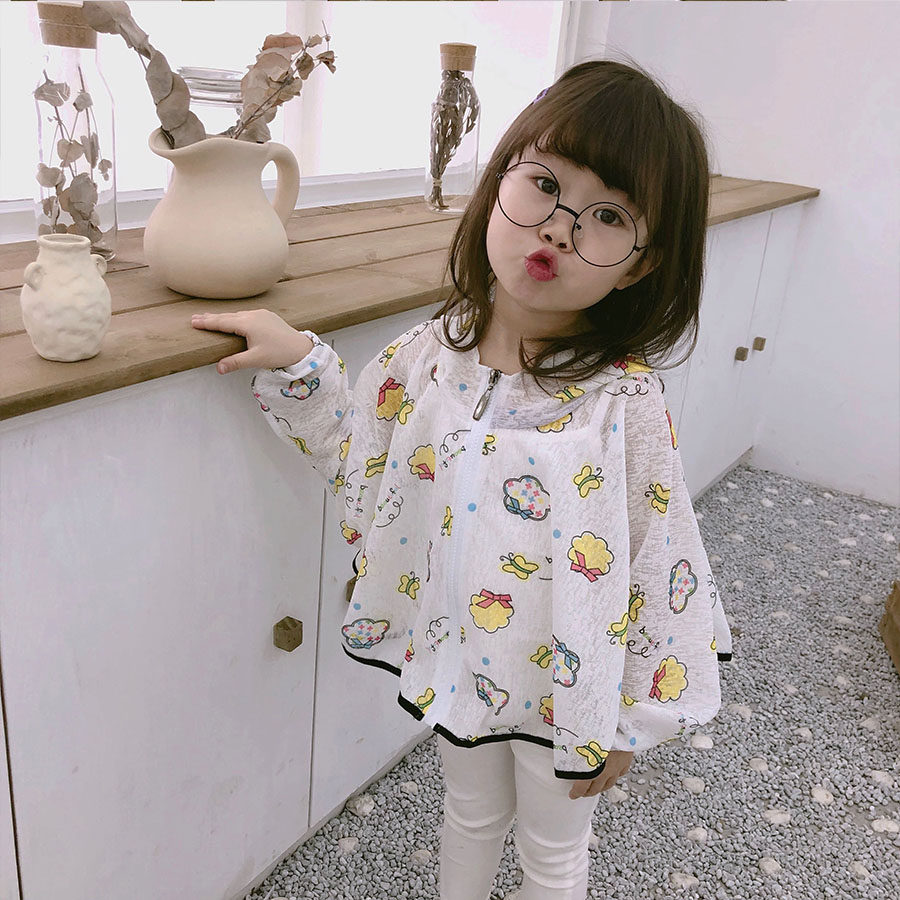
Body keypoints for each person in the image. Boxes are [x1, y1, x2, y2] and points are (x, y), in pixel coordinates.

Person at [191, 57, 734, 900]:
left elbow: (659, 556)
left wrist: (630, 715)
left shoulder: (621, 402)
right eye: (544, 185)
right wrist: (299, 361)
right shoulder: (429, 354)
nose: (558, 230)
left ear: (638, 264)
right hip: (460, 658)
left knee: (552, 853)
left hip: (569, 687)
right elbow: (364, 462)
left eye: (607, 217)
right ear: (499, 181)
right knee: (468, 815)